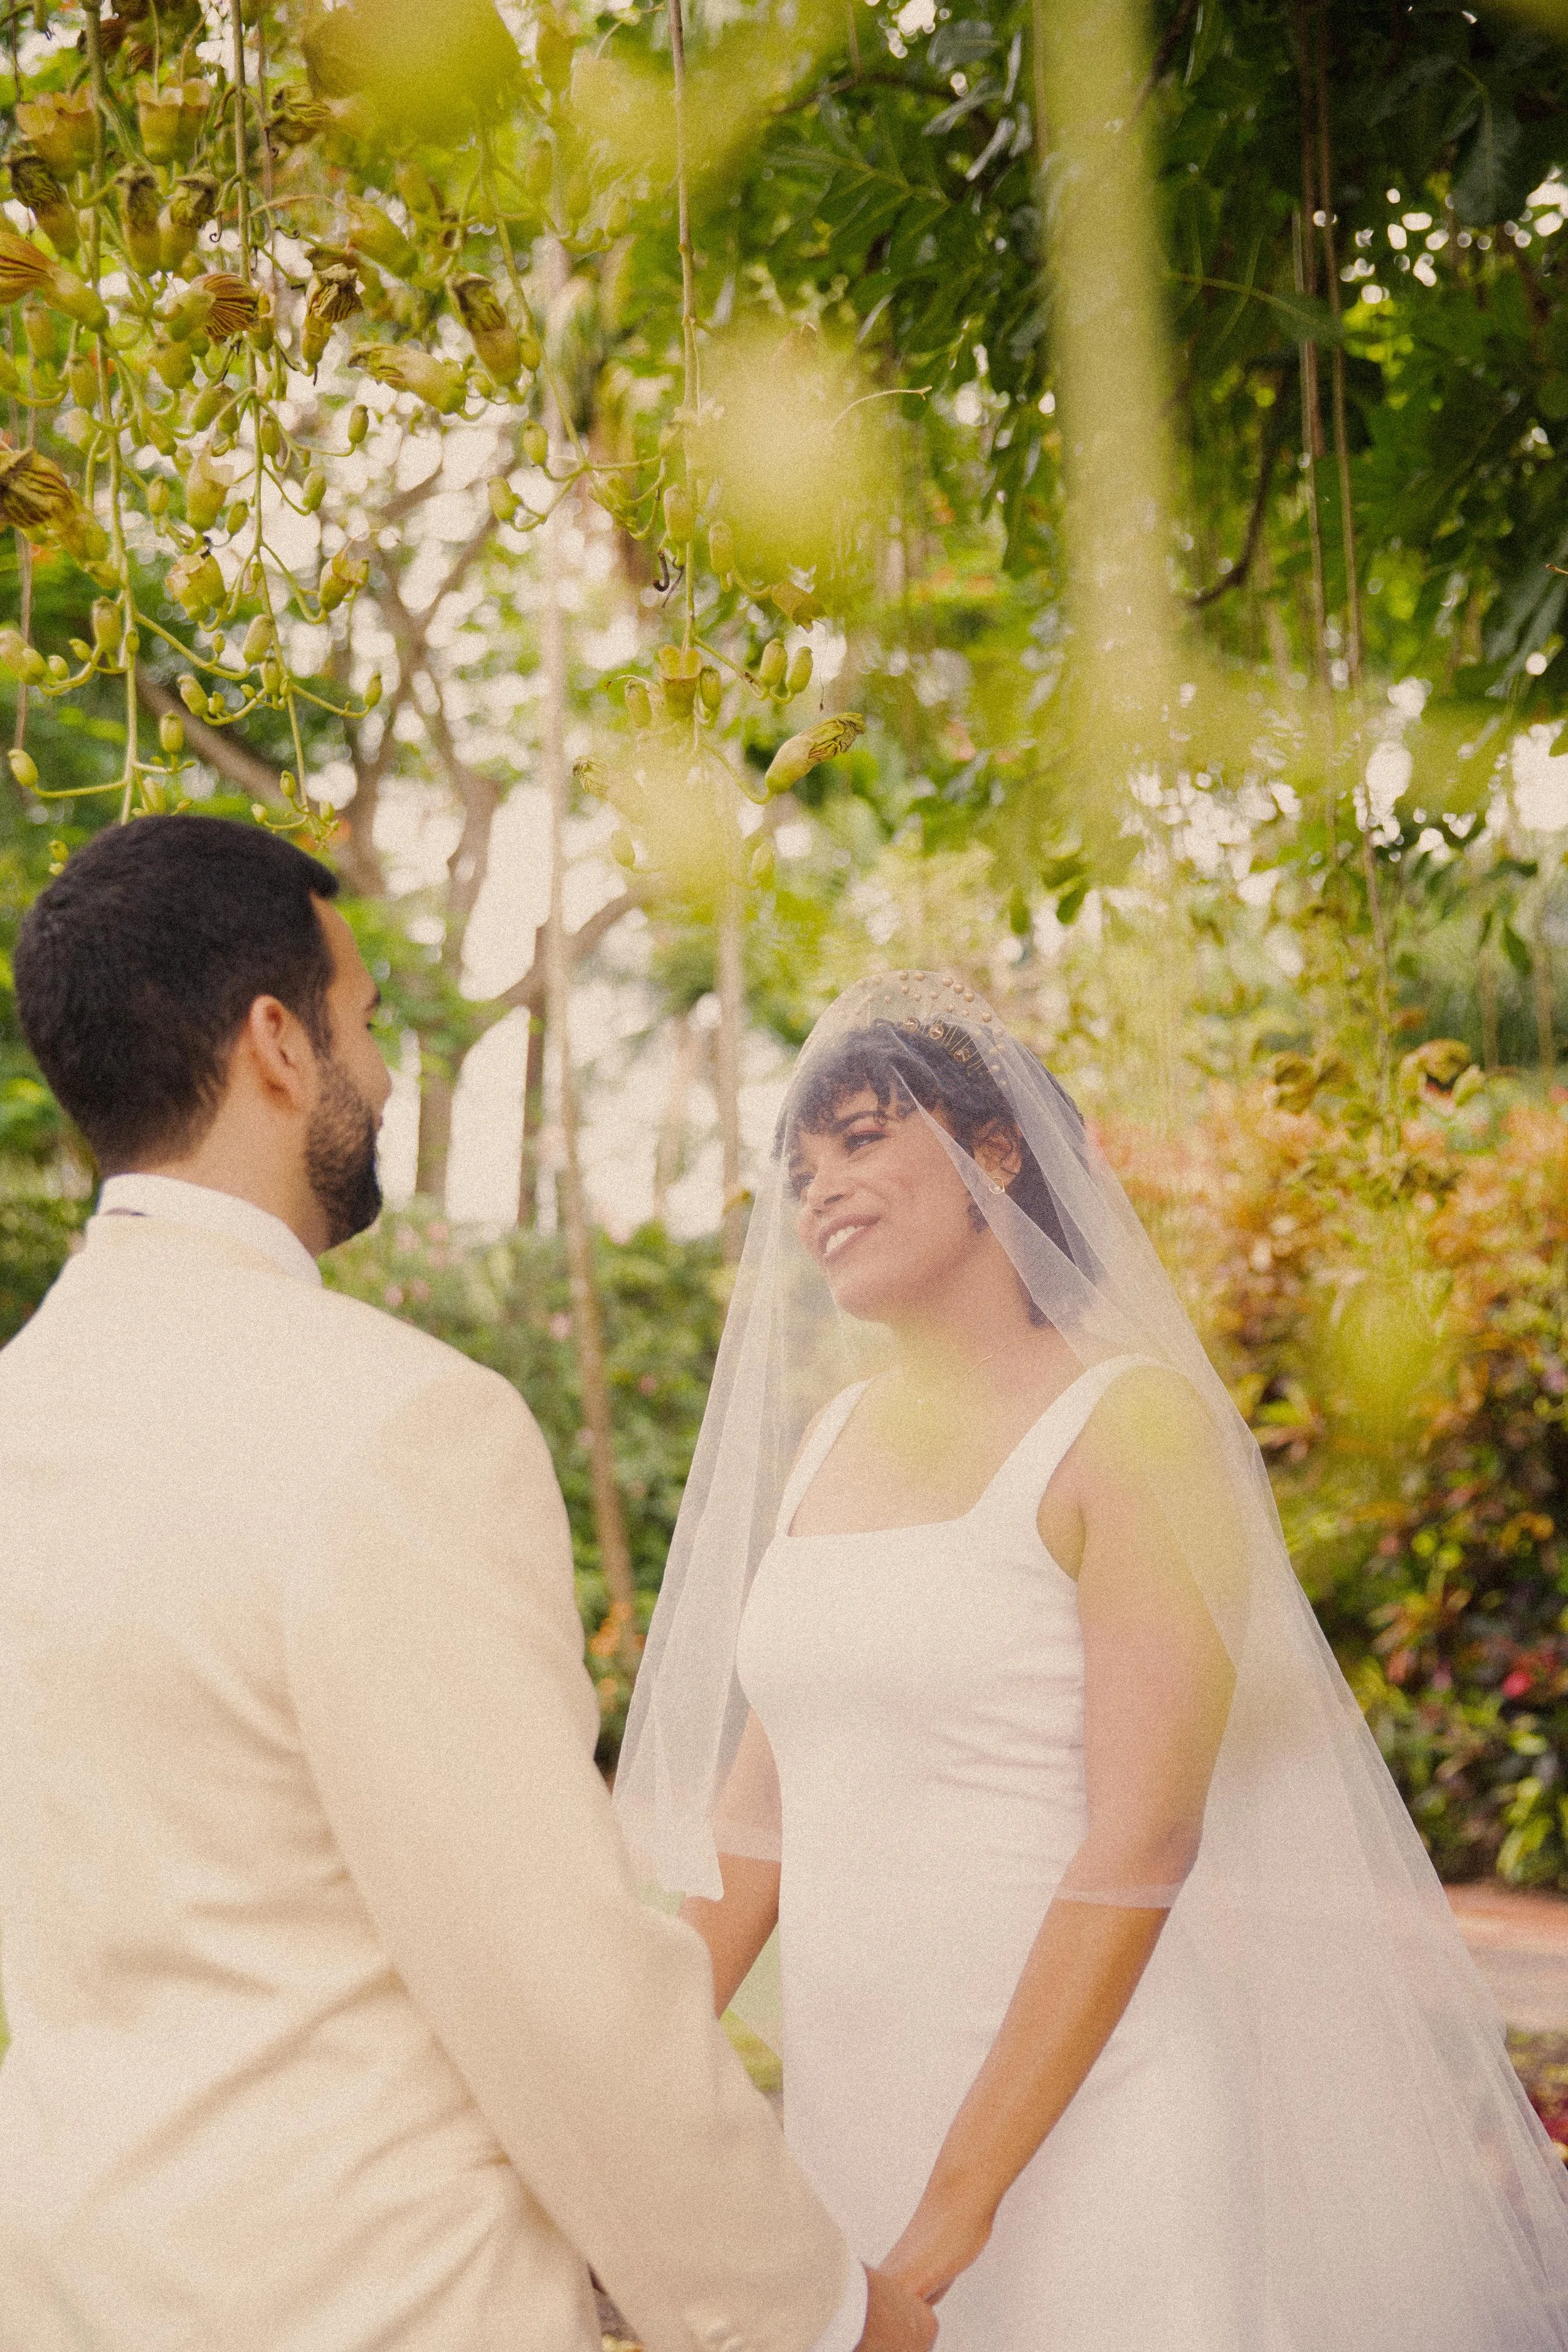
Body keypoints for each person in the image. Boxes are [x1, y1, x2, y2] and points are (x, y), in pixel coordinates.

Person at [0, 815, 936, 2352]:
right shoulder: (397, 1426)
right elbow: (555, 1982)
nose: (380, 1073)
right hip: (372, 2302)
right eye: (364, 1024)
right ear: (278, 1044)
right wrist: (820, 2318)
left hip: (75, 2287)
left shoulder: (22, 1413)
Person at [615, 968, 1568, 2352]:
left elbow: (1142, 1841)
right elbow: (757, 1825)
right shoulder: (827, 1446)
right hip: (845, 2120)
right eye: (800, 1164)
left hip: (1083, 2129)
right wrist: (613, 2072)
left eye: (863, 1139)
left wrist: (961, 2201)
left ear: (995, 1150)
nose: (818, 1188)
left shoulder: (1131, 1430)